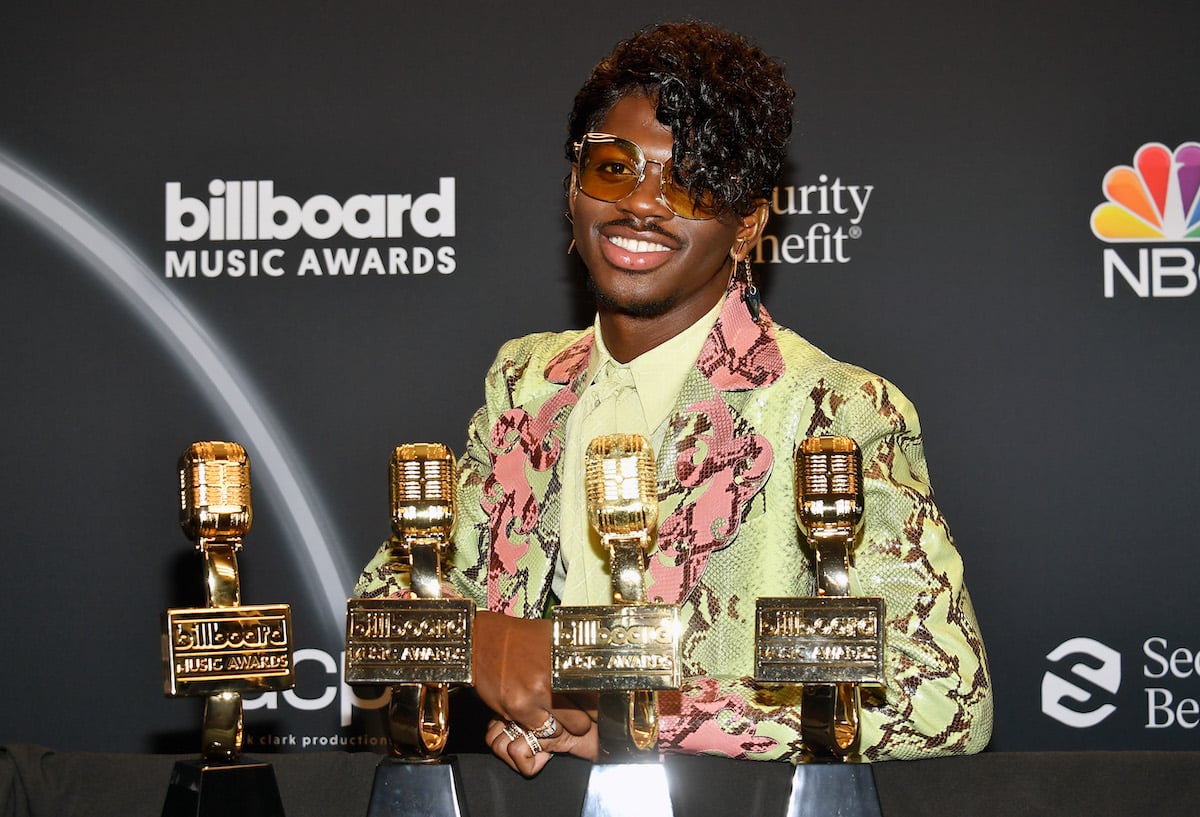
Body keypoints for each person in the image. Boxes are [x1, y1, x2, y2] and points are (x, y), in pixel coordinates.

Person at [356, 21, 992, 776]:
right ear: (573, 183)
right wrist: (484, 647)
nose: (641, 205)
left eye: (689, 181)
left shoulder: (831, 410)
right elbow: (377, 627)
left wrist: (640, 712)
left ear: (746, 225)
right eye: (613, 167)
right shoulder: (526, 384)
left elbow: (946, 694)